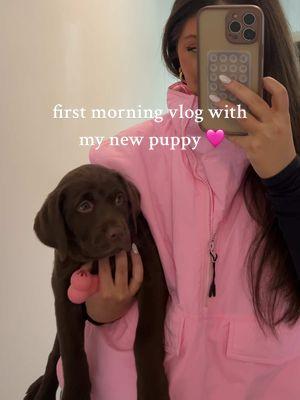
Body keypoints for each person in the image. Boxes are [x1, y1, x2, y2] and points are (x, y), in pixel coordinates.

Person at [57, 0, 300, 399]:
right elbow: (80, 273)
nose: (215, 67)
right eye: (194, 48)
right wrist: (96, 311)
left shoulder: (294, 157)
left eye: (231, 48)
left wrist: (285, 177)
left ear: (265, 49)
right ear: (176, 58)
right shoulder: (129, 157)